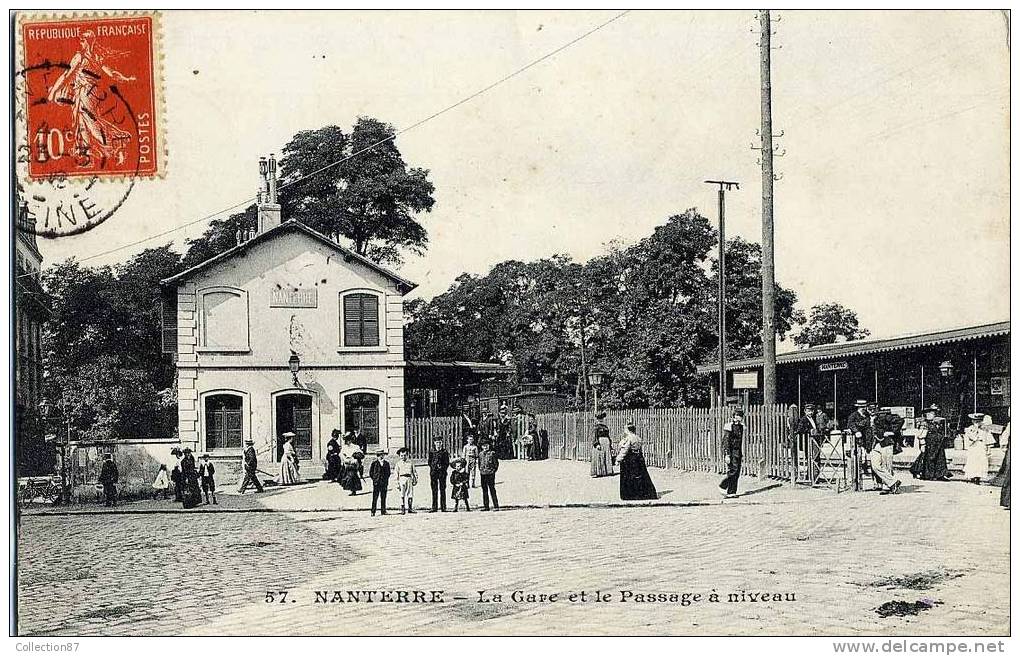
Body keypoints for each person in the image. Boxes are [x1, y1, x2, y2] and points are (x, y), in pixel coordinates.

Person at [616, 420, 658, 500]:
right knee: (640, 476)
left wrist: (618, 459)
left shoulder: (628, 438)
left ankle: (630, 495)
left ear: (628, 430)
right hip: (638, 458)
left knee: (630, 477)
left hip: (630, 459)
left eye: (625, 429)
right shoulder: (638, 438)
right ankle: (642, 494)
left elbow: (625, 450)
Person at [910, 405, 952, 481]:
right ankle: (927, 474)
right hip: (929, 444)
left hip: (938, 444)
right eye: (932, 413)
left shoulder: (935, 423)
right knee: (928, 458)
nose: (934, 415)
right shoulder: (924, 424)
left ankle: (940, 474)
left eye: (934, 413)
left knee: (940, 459)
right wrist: (922, 445)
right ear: (927, 414)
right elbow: (921, 435)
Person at [718, 409, 745, 498]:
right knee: (733, 471)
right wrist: (727, 454)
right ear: (734, 416)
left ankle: (732, 492)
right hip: (731, 451)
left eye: (741, 415)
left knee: (737, 472)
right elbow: (726, 441)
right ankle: (723, 485)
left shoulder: (741, 426)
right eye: (737, 415)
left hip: (738, 451)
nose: (739, 417)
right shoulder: (729, 426)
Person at [963, 413, 992, 484]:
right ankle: (972, 477)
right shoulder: (970, 429)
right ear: (972, 421)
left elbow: (988, 439)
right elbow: (970, 438)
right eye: (975, 421)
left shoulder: (985, 429)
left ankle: (978, 478)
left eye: (979, 421)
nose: (977, 423)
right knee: (973, 462)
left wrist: (988, 448)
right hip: (973, 447)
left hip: (981, 447)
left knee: (981, 462)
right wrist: (975, 432)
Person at [428, 437, 451, 512]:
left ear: (442, 443)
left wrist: (442, 467)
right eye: (437, 442)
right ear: (434, 443)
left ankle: (443, 507)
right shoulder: (431, 452)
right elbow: (429, 462)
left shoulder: (444, 452)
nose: (438, 444)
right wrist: (434, 466)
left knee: (442, 489)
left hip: (442, 473)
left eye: (440, 442)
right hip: (434, 473)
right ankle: (434, 507)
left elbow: (447, 463)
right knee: (434, 490)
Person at [590, 411, 615, 477]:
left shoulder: (605, 427)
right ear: (597, 419)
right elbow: (594, 436)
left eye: (602, 418)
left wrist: (610, 445)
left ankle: (607, 471)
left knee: (606, 457)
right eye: (599, 418)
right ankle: (598, 472)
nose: (600, 420)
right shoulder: (596, 427)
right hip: (600, 443)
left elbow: (608, 436)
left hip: (606, 443)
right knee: (599, 457)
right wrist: (596, 444)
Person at [478, 439, 500, 511]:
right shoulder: (480, 454)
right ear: (481, 446)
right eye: (484, 446)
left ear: (489, 446)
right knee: (484, 490)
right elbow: (479, 463)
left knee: (492, 489)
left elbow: (496, 463)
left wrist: (493, 470)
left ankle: (496, 506)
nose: (485, 447)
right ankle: (486, 506)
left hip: (490, 473)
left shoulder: (492, 453)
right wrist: (481, 470)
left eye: (486, 445)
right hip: (483, 473)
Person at [395, 447, 418, 514]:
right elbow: (396, 474)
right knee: (402, 494)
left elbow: (414, 472)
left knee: (410, 494)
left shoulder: (410, 463)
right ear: (399, 456)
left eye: (405, 455)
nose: (403, 457)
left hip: (409, 479)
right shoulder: (398, 464)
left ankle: (410, 508)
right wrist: (397, 483)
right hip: (402, 479)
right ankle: (402, 508)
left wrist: (415, 479)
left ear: (407, 455)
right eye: (401, 455)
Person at [369, 449, 391, 516]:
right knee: (375, 497)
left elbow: (388, 473)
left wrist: (385, 479)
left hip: (384, 483)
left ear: (384, 455)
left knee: (383, 497)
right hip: (376, 483)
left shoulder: (386, 463)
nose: (381, 456)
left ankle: (383, 511)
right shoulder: (374, 463)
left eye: (382, 455)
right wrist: (375, 479)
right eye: (379, 455)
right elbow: (371, 473)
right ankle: (373, 511)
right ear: (377, 456)